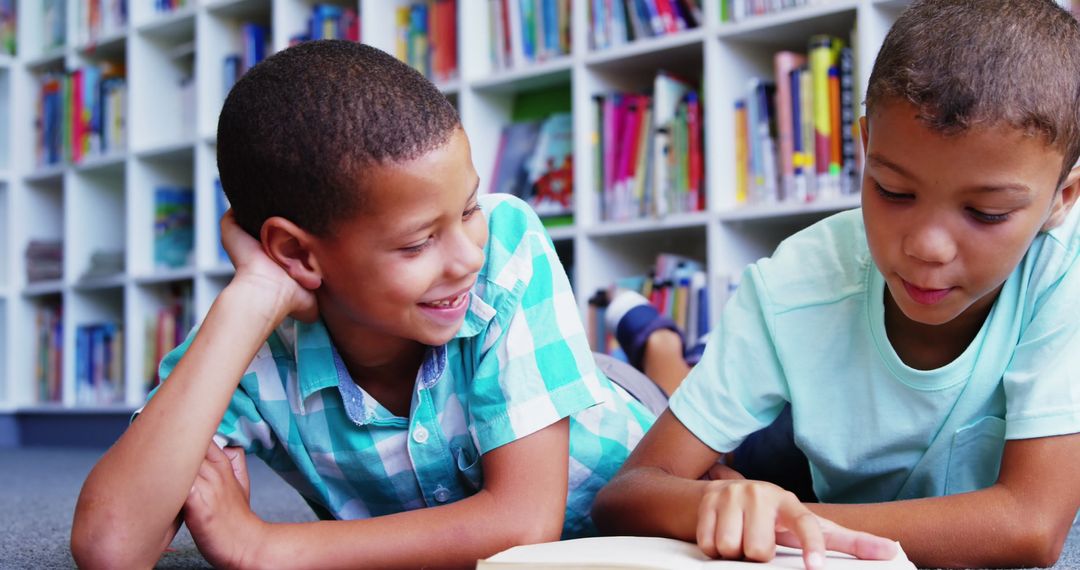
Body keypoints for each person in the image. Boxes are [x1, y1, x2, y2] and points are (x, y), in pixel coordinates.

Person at [69, 40, 664, 569]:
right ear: (296, 253)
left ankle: (649, 334)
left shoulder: (505, 241)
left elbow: (523, 525)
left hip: (640, 434)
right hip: (514, 372)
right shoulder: (250, 351)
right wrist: (252, 294)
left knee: (687, 393)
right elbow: (110, 548)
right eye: (416, 242)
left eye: (467, 208)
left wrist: (265, 547)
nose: (465, 258)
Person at [592, 0, 1080, 568]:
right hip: (799, 423)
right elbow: (626, 496)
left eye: (987, 212)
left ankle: (665, 350)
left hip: (810, 473)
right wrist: (717, 499)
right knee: (734, 465)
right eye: (894, 192)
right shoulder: (794, 282)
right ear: (866, 145)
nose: (927, 246)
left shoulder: (1062, 269)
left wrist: (786, 519)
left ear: (1062, 199)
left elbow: (1030, 527)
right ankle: (663, 351)